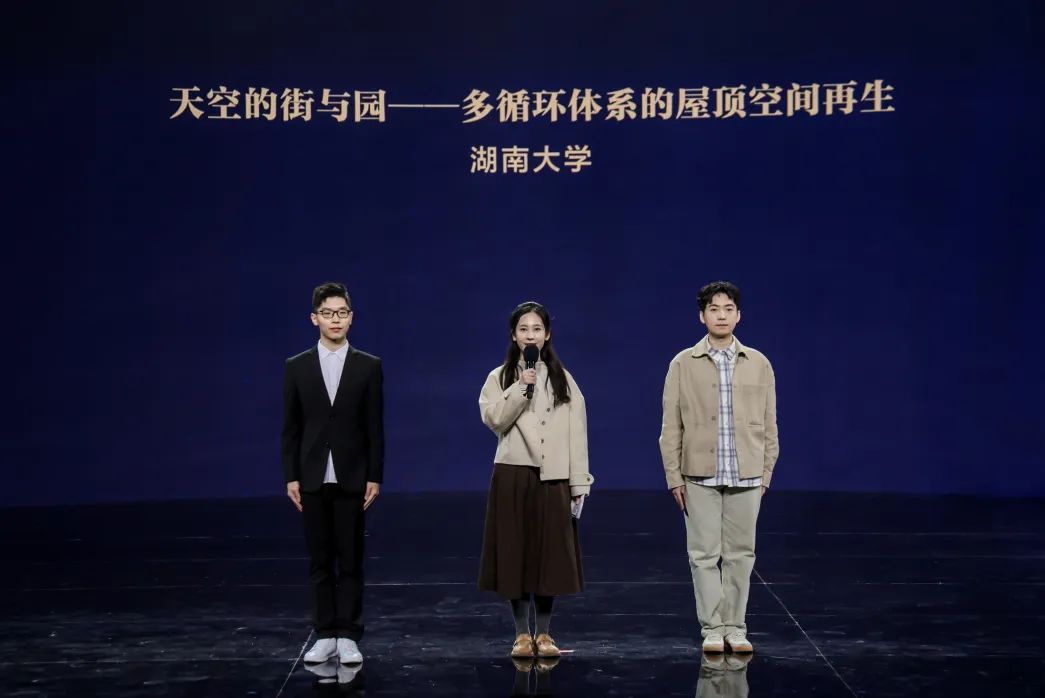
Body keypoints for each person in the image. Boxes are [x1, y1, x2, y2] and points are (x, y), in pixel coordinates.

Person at [659, 281, 779, 654]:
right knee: (703, 555)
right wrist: (674, 477)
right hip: (698, 474)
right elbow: (670, 426)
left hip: (747, 473)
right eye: (714, 309)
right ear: (702, 316)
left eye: (728, 309)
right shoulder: (683, 363)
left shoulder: (758, 363)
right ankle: (713, 628)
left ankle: (736, 627)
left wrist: (766, 474)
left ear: (738, 315)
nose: (721, 315)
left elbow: (769, 424)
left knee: (742, 554)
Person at [478, 301, 594, 659]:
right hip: (513, 473)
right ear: (514, 335)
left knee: (549, 555)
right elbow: (494, 419)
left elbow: (577, 433)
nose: (531, 335)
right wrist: (519, 387)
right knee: (514, 552)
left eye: (537, 329)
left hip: (553, 477)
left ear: (547, 335)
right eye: (524, 329)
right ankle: (520, 634)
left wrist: (579, 483)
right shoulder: (499, 377)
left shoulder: (563, 379)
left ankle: (544, 632)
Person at [281, 282, 384, 665]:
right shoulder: (297, 366)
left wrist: (375, 474)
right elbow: (291, 427)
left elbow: (374, 426)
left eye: (341, 313)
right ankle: (325, 633)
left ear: (351, 318)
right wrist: (291, 475)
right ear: (314, 318)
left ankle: (349, 635)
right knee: (320, 559)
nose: (335, 319)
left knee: (351, 558)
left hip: (352, 475)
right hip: (310, 476)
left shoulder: (368, 366)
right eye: (327, 313)